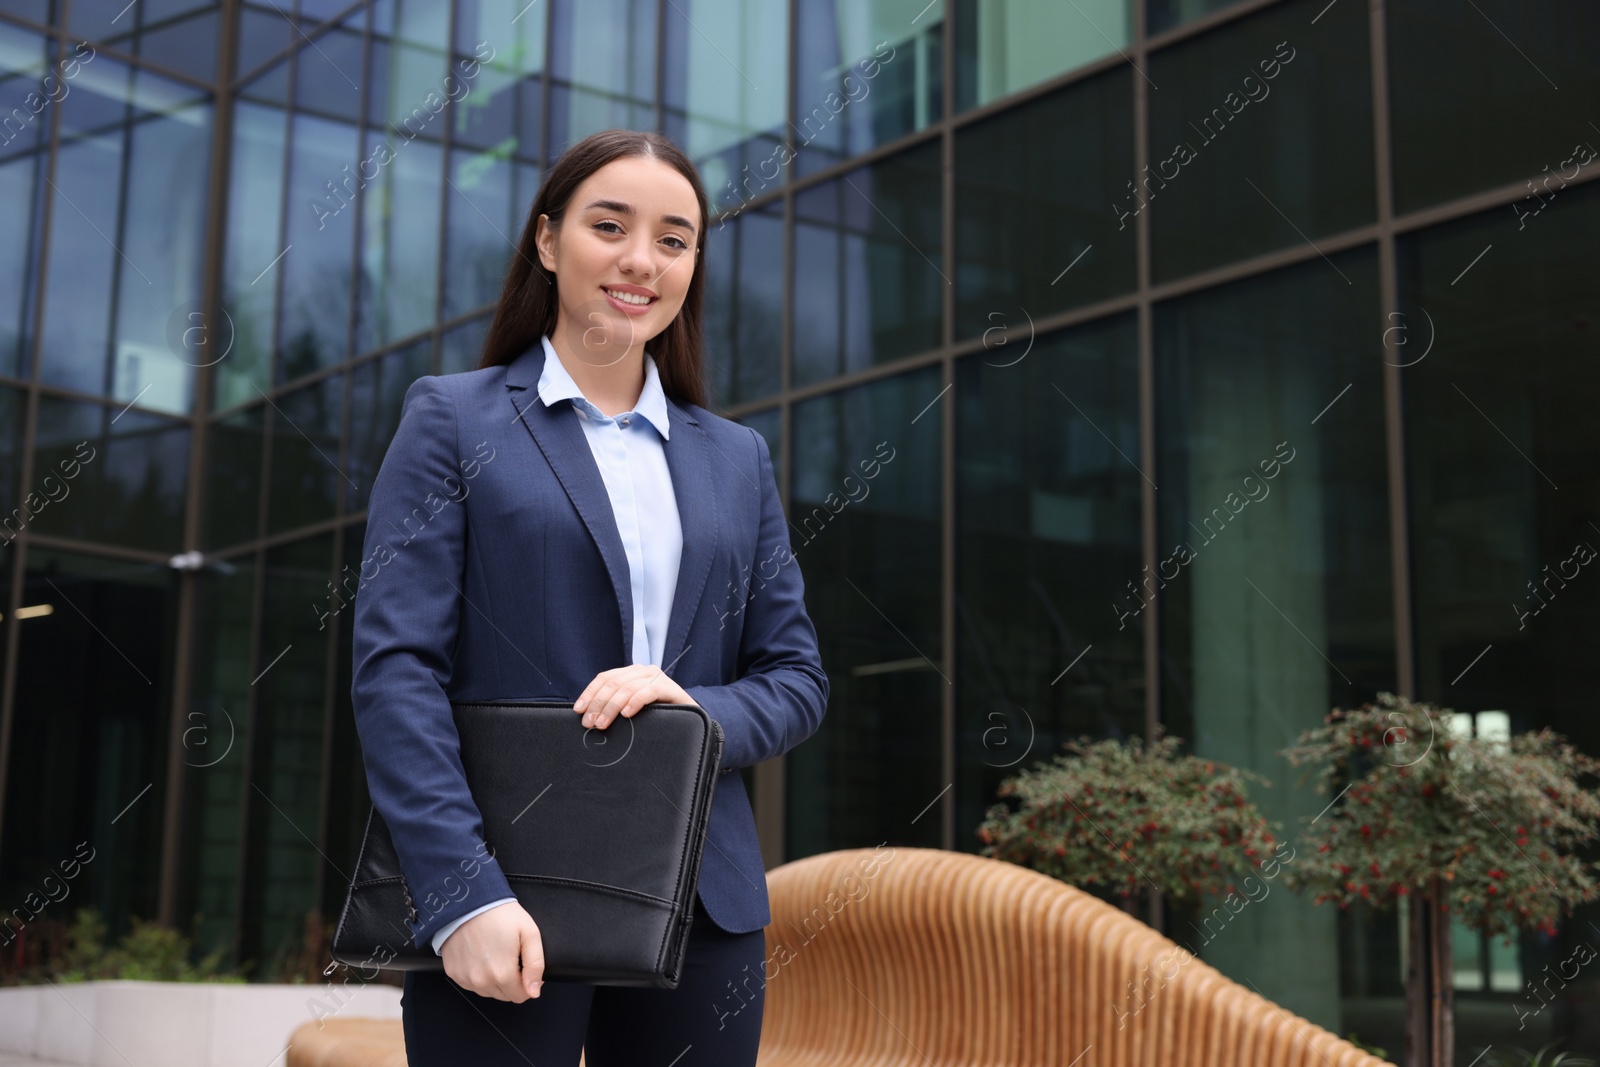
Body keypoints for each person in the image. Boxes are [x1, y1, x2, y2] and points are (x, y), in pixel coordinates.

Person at [349, 128, 829, 1066]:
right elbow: (396, 672)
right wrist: (461, 894)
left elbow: (797, 676)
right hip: (509, 891)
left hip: (703, 906)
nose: (641, 260)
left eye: (674, 238)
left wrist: (696, 704)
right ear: (546, 241)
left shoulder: (737, 458)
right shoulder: (453, 418)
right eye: (610, 225)